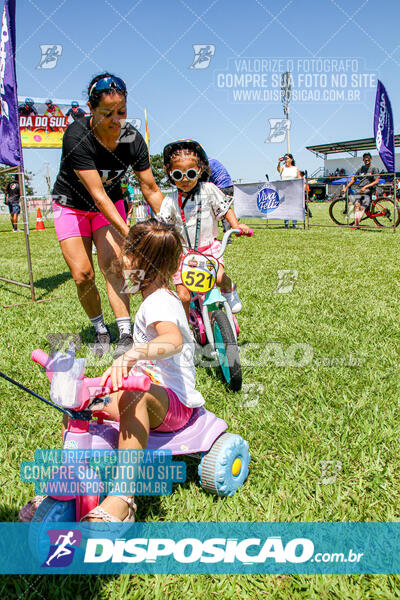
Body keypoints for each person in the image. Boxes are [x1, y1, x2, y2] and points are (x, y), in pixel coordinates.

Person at [81, 219, 205, 522]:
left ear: (138, 261)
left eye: (125, 254)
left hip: (174, 404)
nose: (120, 262)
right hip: (151, 390)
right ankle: (71, 484)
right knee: (80, 396)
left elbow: (172, 341)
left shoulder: (159, 302)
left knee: (132, 397)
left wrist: (132, 355)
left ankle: (122, 499)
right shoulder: (155, 298)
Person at [51, 72, 164, 358]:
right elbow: (98, 196)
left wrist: (170, 224)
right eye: (107, 113)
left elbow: (150, 187)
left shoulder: (132, 139)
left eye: (122, 112)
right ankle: (100, 328)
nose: (116, 120)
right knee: (83, 275)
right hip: (72, 205)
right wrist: (133, 235)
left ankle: (125, 331)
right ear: (91, 110)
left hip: (110, 203)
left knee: (114, 264)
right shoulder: (77, 135)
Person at [158, 139, 251, 319]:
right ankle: (186, 329)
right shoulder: (169, 200)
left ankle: (229, 288)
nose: (185, 179)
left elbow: (225, 210)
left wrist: (236, 226)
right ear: (170, 174)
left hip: (208, 249)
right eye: (178, 175)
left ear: (200, 170)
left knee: (218, 278)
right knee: (183, 296)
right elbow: (162, 226)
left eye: (191, 173)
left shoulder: (209, 189)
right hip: (182, 254)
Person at [342, 152, 380, 228]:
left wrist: (366, 187)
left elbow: (376, 181)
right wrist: (346, 187)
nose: (366, 159)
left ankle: (356, 224)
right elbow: (354, 179)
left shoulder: (374, 168)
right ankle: (357, 223)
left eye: (368, 158)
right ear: (363, 160)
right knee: (357, 205)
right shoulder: (360, 169)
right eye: (365, 158)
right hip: (360, 189)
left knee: (360, 205)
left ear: (371, 159)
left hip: (369, 189)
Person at [208, 157, 234, 243]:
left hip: (221, 188)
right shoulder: (212, 161)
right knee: (225, 211)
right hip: (229, 186)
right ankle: (227, 239)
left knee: (213, 212)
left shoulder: (204, 163)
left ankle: (212, 238)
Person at [277, 153, 301, 228]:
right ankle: (286, 224)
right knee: (286, 207)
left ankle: (294, 224)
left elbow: (299, 178)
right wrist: (279, 162)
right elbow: (278, 170)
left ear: (291, 159)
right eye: (285, 158)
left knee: (294, 207)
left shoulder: (295, 168)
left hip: (294, 190)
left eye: (287, 158)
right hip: (284, 190)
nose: (286, 160)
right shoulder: (283, 167)